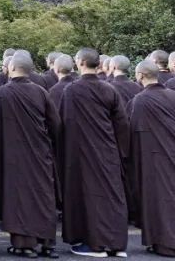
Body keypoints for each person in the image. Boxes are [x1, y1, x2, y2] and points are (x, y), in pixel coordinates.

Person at [0, 51, 60, 258]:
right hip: (40, 153)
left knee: (18, 197)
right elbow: (55, 124)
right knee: (43, 195)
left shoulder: (0, 93)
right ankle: (47, 243)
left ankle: (24, 244)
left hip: (12, 155)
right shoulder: (41, 92)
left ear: (10, 69)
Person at [58, 48, 130, 258]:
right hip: (108, 150)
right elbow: (122, 123)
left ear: (79, 62)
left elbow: (65, 123)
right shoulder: (109, 90)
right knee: (112, 195)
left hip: (80, 153)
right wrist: (121, 152)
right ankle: (117, 245)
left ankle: (95, 245)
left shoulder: (71, 90)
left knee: (89, 197)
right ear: (98, 64)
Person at [129, 61, 175, 257]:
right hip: (171, 151)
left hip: (154, 156)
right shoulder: (173, 95)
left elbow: (132, 131)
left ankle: (165, 243)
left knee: (159, 200)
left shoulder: (140, 100)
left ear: (140, 75)